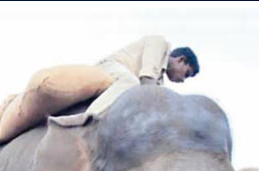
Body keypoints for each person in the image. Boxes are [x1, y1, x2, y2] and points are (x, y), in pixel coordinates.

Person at [52, 36, 199, 127]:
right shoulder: (159, 43)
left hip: (123, 86)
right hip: (110, 68)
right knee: (131, 84)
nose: (182, 80)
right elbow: (147, 81)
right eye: (186, 74)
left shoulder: (160, 81)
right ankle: (85, 120)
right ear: (181, 60)